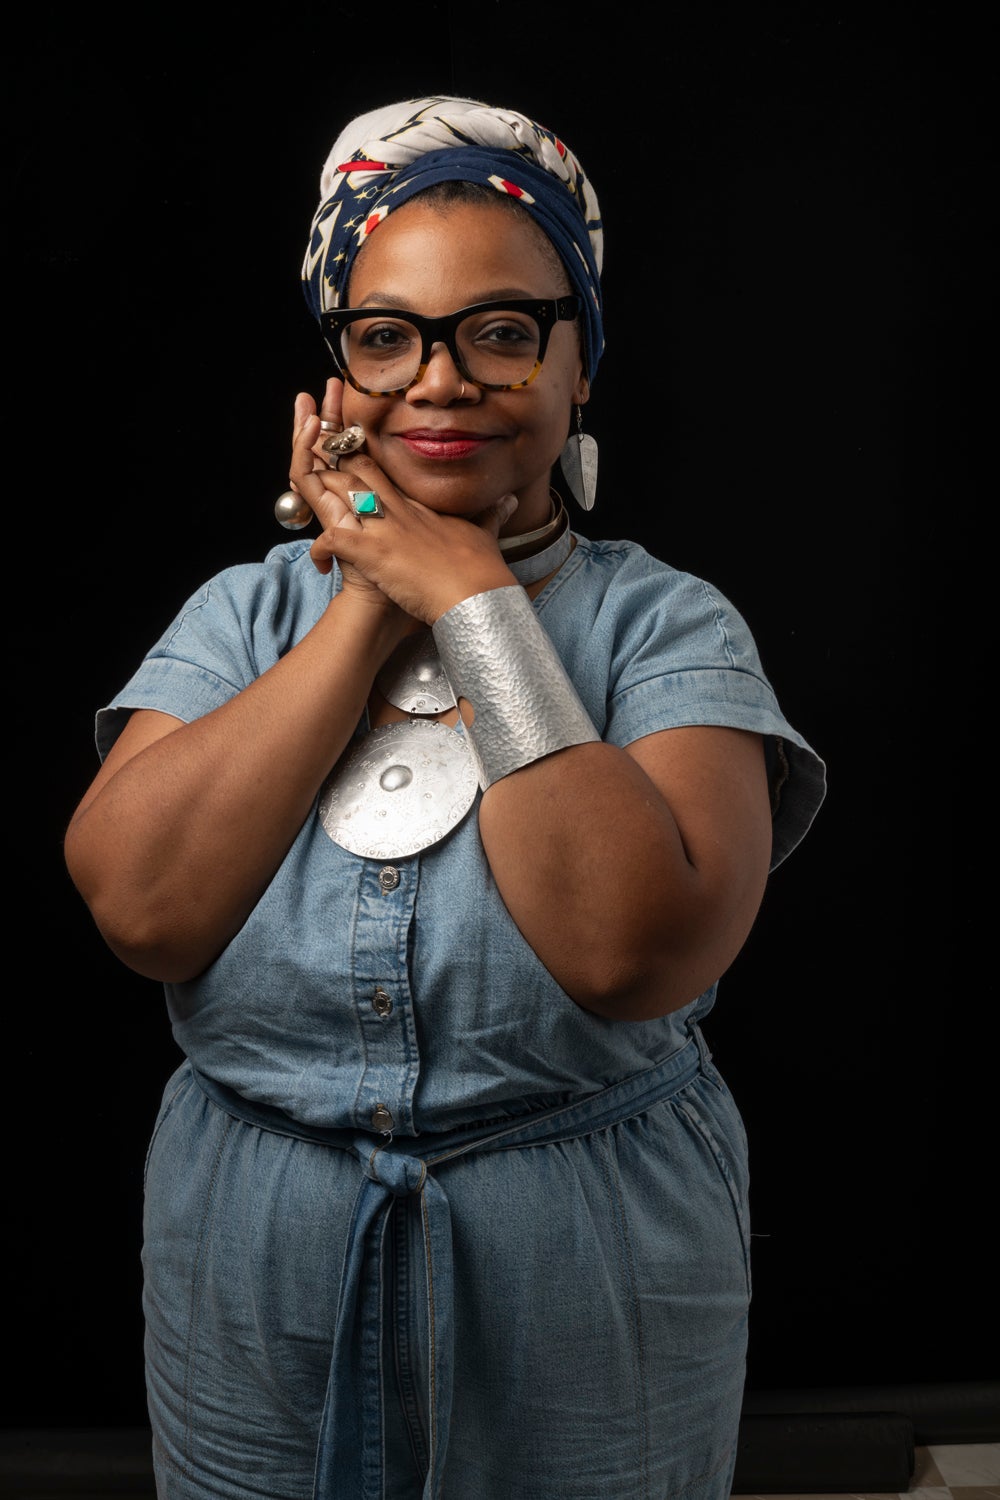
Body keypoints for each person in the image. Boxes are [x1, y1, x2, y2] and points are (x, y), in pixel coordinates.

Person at [64, 95, 826, 1500]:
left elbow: (628, 950)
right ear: (334, 376)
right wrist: (369, 594)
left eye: (499, 330)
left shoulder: (671, 630)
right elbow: (143, 908)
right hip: (254, 1259)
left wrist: (472, 595)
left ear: (577, 359)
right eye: (386, 335)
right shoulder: (242, 618)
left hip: (588, 1267)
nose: (439, 379)